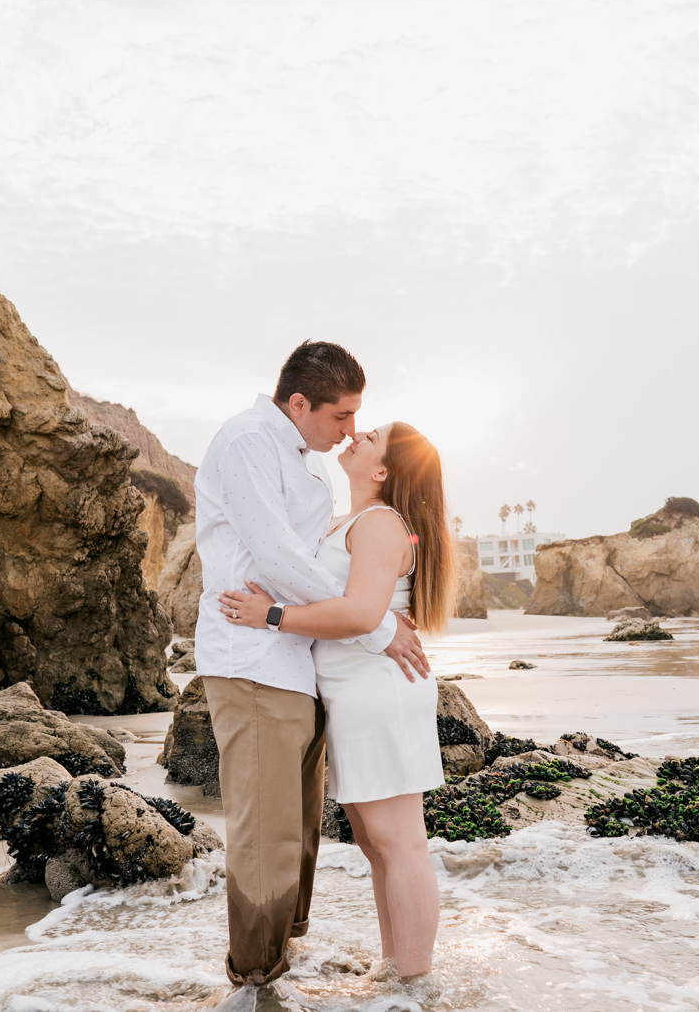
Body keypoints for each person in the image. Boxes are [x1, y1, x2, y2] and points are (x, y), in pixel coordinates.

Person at [192, 341, 430, 1011]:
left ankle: (278, 965)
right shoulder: (246, 442)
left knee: (295, 833)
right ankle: (253, 982)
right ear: (300, 403)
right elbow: (275, 556)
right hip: (253, 661)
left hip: (301, 669)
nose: (350, 430)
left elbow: (318, 569)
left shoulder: (313, 470)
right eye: (342, 415)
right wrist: (375, 622)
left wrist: (358, 604)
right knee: (265, 831)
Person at [220, 419, 456, 982]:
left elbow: (358, 614)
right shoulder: (349, 522)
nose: (356, 436)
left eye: (369, 437)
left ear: (381, 471)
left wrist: (270, 616)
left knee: (399, 842)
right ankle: (394, 968)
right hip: (352, 695)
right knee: (377, 844)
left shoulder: (379, 523)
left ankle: (416, 982)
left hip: (380, 693)